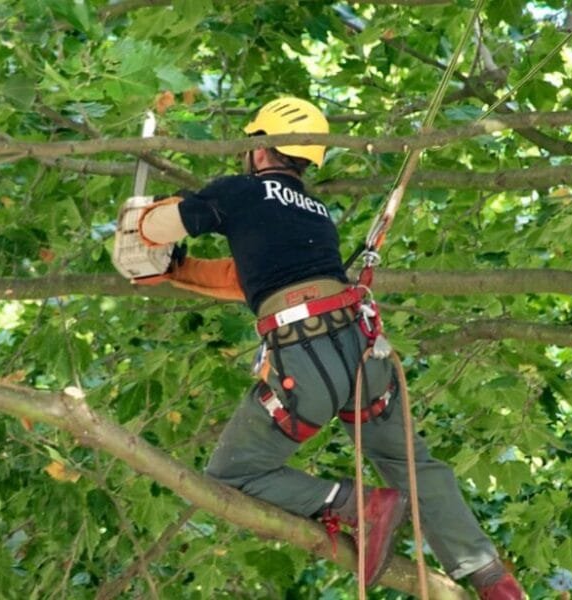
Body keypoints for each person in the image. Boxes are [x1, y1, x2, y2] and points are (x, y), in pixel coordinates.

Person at [134, 97, 524, 598]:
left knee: (229, 475)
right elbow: (248, 277)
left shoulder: (241, 193)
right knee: (411, 463)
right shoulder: (316, 214)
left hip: (307, 354)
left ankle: (352, 502)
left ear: (258, 147)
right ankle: (493, 579)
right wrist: (181, 271)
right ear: (308, 158)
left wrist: (140, 224)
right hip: (360, 350)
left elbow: (156, 228)